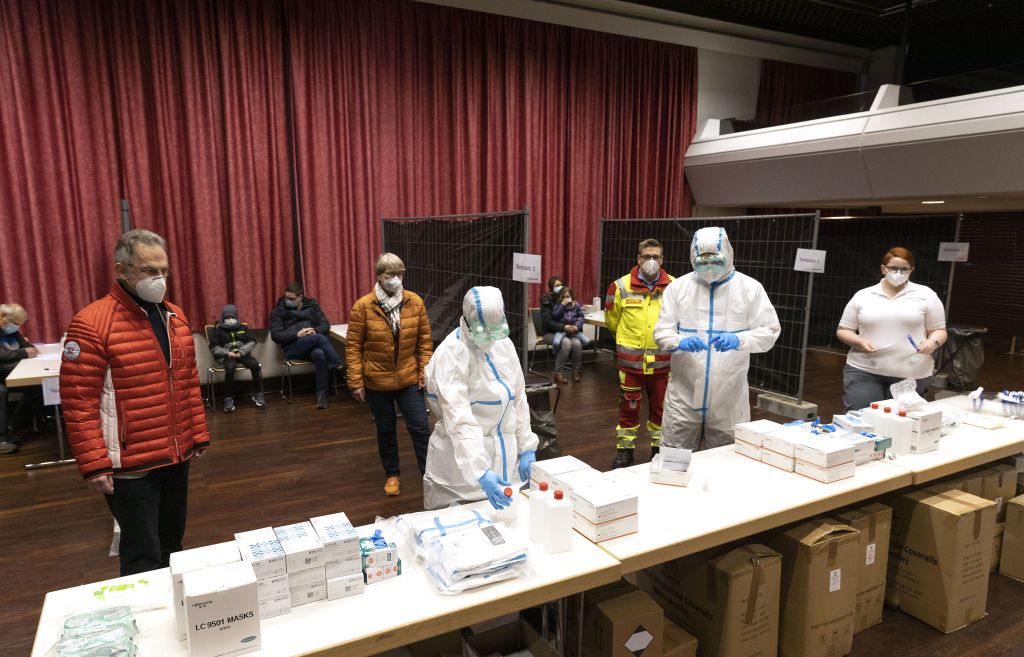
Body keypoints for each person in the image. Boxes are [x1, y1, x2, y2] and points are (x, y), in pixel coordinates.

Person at [61, 229, 210, 576]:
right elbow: (78, 400)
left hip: (175, 455)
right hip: (130, 465)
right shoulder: (91, 323)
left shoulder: (174, 316)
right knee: (142, 554)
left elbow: (187, 382)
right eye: (148, 270)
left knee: (173, 547)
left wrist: (197, 434)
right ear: (121, 270)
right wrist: (94, 462)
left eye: (164, 270)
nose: (158, 279)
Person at [655, 227, 781, 451]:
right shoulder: (677, 288)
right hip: (683, 394)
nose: (708, 267)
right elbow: (662, 333)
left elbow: (769, 331)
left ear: (728, 254)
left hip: (729, 398)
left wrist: (739, 339)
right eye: (702, 262)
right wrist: (679, 341)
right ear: (692, 259)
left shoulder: (750, 288)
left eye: (715, 260)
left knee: (725, 460)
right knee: (674, 456)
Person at [422, 286, 538, 510]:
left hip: (506, 462)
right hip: (460, 472)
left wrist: (527, 446)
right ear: (467, 321)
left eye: (496, 331)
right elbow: (459, 419)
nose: (490, 338)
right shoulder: (451, 354)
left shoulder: (503, 346)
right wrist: (480, 471)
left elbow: (518, 400)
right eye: (484, 331)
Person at [346, 253, 432, 497]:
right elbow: (353, 346)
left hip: (408, 379)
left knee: (420, 428)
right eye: (390, 275)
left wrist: (424, 371)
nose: (395, 279)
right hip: (376, 381)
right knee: (385, 430)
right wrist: (355, 381)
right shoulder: (363, 306)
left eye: (400, 274)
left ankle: (429, 475)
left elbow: (424, 342)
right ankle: (392, 475)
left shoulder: (414, 302)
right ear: (379, 276)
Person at [836, 247, 947, 411]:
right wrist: (859, 341)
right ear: (883, 269)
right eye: (894, 268)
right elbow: (843, 330)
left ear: (911, 270)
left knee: (900, 423)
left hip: (910, 373)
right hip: (865, 369)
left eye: (904, 269)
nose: (899, 273)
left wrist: (932, 343)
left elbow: (940, 330)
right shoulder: (864, 295)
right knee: (860, 418)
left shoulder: (926, 295)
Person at [606, 238, 675, 469]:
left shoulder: (674, 286)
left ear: (663, 259)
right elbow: (612, 321)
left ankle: (658, 450)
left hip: (663, 364)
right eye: (647, 257)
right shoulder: (620, 286)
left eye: (656, 257)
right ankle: (625, 451)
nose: (652, 261)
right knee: (629, 408)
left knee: (661, 408)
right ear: (638, 259)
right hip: (631, 364)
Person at [270, 282, 343, 409]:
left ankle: (322, 395)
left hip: (312, 344)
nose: (287, 301)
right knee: (319, 338)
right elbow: (276, 336)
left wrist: (315, 330)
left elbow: (325, 324)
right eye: (286, 297)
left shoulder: (312, 305)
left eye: (291, 299)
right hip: (292, 347)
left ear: (300, 297)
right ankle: (338, 364)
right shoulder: (279, 311)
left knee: (320, 354)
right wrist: (297, 334)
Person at [0, 303, 42, 454]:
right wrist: (24, 353)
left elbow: (25, 344)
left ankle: (15, 427)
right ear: (4, 319)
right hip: (2, 374)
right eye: (15, 324)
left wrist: (31, 349)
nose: (16, 327)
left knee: (37, 387)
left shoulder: (11, 331)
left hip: (10, 372)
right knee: (1, 391)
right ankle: (2, 439)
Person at [208, 304, 266, 413]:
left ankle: (258, 393)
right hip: (227, 355)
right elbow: (214, 347)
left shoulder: (243, 327)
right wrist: (227, 353)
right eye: (227, 317)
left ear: (236, 317)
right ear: (223, 317)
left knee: (255, 365)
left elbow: (252, 341)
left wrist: (241, 352)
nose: (229, 319)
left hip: (242, 354)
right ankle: (228, 398)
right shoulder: (218, 329)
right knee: (230, 367)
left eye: (232, 317)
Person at [550, 286, 590, 383]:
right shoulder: (558, 305)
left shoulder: (576, 305)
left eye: (568, 296)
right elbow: (555, 316)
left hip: (573, 331)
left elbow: (581, 317)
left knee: (582, 342)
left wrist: (577, 326)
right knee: (556, 342)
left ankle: (575, 371)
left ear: (572, 296)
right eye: (563, 297)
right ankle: (557, 365)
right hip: (562, 330)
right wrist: (562, 305)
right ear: (561, 297)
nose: (566, 299)